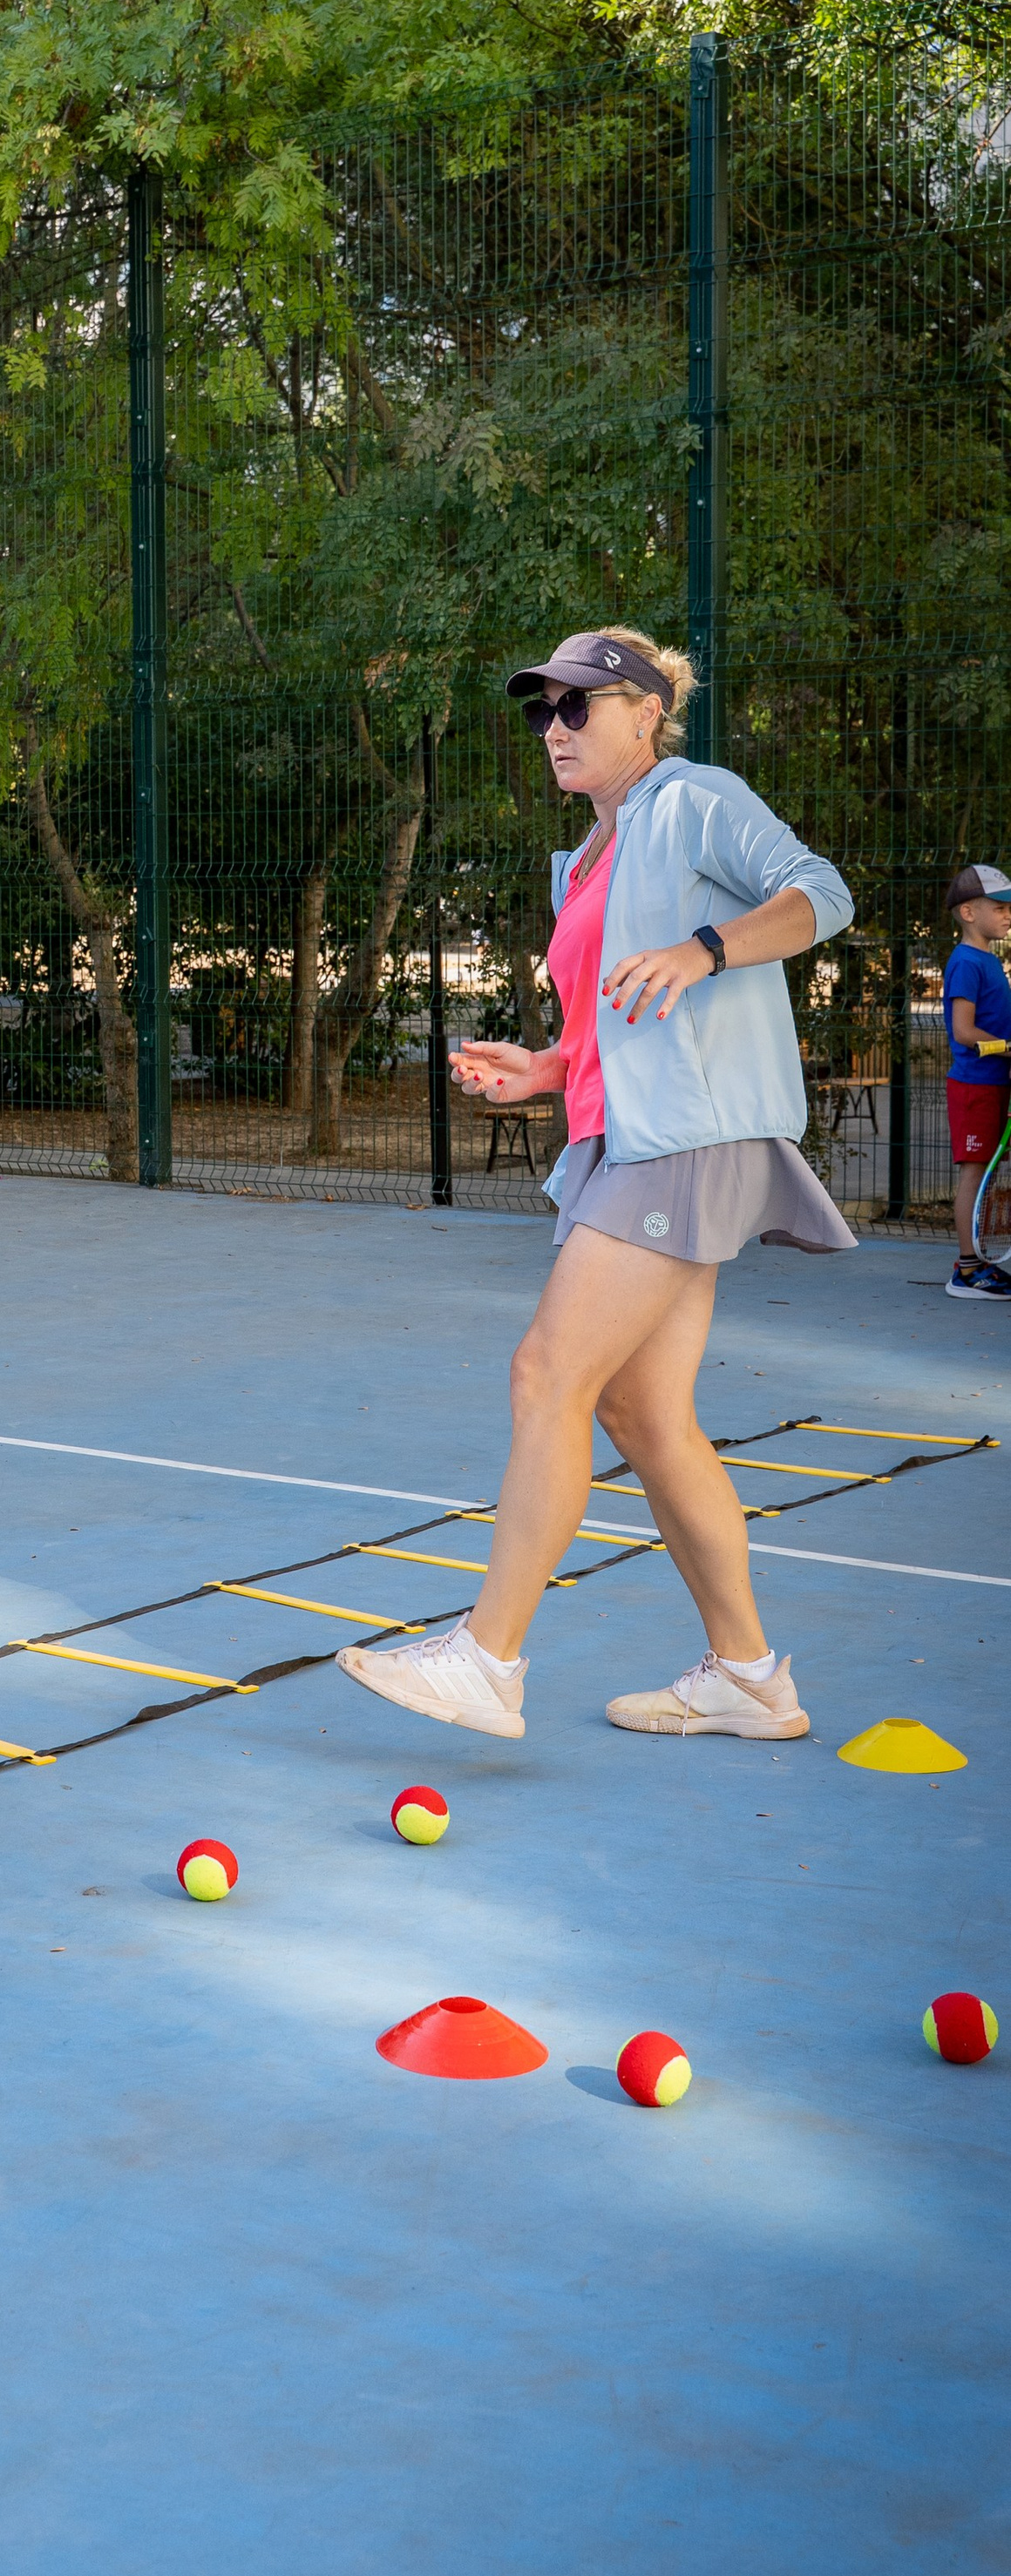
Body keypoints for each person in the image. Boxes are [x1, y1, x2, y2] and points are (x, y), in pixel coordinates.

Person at [338, 625, 855, 1745]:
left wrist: (704, 948)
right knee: (644, 1413)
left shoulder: (696, 799)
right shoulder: (583, 857)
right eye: (543, 711)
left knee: (546, 1374)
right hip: (626, 1140)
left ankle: (487, 1659)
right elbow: (612, 1023)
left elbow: (823, 895)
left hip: (687, 1140)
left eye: (580, 705)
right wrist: (546, 1068)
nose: (556, 728)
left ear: (645, 712)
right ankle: (748, 1676)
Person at [940, 865, 1011, 1298]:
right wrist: (1008, 1047)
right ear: (968, 911)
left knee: (983, 1171)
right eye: (1000, 908)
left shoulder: (987, 959)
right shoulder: (966, 962)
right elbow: (964, 1032)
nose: (1008, 916)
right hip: (974, 1088)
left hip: (992, 1084)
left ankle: (978, 1264)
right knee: (974, 1174)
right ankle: (967, 1271)